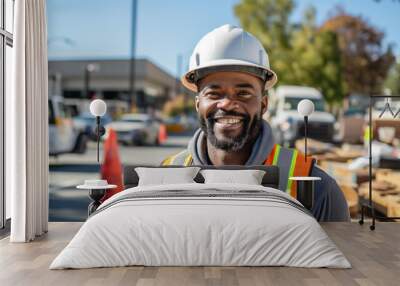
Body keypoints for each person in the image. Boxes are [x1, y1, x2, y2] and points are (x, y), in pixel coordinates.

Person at [161, 24, 349, 222]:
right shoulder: (165, 177)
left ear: (264, 104)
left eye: (243, 93)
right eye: (213, 93)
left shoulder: (315, 187)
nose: (226, 103)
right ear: (198, 104)